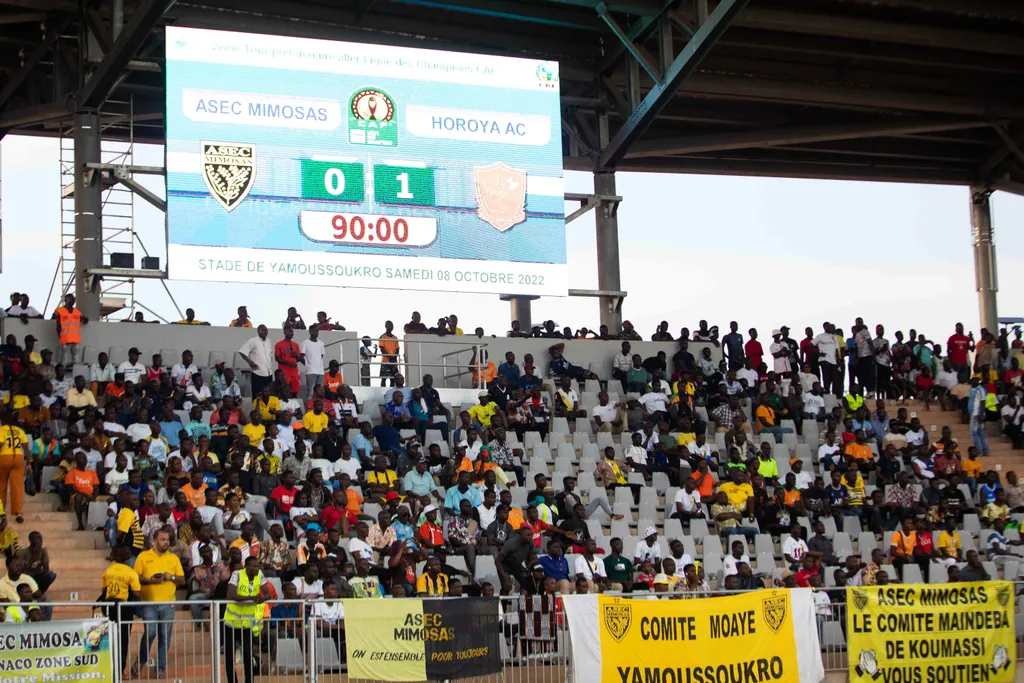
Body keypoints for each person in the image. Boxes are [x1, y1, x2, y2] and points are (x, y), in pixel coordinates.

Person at [132, 528, 184, 677]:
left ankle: (160, 668)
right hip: (149, 603)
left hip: (168, 604)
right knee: (150, 632)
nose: (166, 542)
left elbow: (182, 579)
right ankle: (141, 661)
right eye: (163, 539)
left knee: (164, 637)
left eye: (167, 540)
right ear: (154, 541)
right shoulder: (143, 556)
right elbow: (135, 577)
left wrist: (171, 577)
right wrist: (149, 581)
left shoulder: (173, 558)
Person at [225, 555, 271, 683]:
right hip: (231, 622)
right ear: (246, 566)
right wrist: (251, 598)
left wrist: (262, 598)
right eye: (254, 566)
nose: (257, 569)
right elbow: (231, 595)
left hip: (247, 623)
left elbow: (268, 594)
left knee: (248, 655)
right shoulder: (237, 574)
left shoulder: (260, 575)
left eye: (258, 566)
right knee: (229, 656)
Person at [0, 410, 28, 523]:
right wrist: (29, 463)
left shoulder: (1, 430)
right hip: (19, 458)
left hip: (4, 457)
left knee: (1, 485)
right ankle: (18, 513)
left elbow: (0, 444)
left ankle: (1, 512)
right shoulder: (20, 431)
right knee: (17, 486)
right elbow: (26, 448)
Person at [51, 294, 88, 367]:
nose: (72, 301)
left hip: (75, 338)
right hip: (65, 338)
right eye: (70, 299)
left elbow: (82, 318)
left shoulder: (77, 311)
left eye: (73, 299)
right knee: (64, 359)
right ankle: (62, 375)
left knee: (76, 359)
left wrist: (85, 319)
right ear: (66, 300)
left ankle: (76, 375)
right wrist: (60, 336)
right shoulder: (59, 310)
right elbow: (56, 322)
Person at [238, 325, 274, 398]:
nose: (265, 332)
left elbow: (270, 355)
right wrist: (250, 363)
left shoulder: (269, 341)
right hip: (258, 373)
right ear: (258, 331)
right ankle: (256, 409)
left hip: (269, 373)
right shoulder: (253, 341)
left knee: (268, 395)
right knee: (257, 395)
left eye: (266, 330)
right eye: (263, 330)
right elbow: (242, 352)